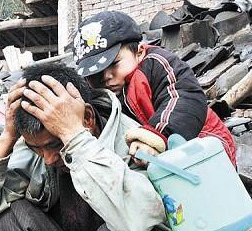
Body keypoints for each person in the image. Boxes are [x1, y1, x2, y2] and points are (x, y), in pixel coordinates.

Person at [0, 62, 178, 231]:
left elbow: (136, 223)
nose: (49, 159)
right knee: (8, 217)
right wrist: (8, 137)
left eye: (56, 145)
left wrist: (75, 138)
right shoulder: (33, 147)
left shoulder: (131, 141)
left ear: (88, 118)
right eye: (38, 149)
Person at [73, 11, 236, 168]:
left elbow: (182, 96)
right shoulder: (96, 95)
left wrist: (155, 136)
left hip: (205, 146)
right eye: (95, 73)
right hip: (162, 161)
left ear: (139, 52)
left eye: (114, 64)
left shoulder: (157, 64)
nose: (106, 76)